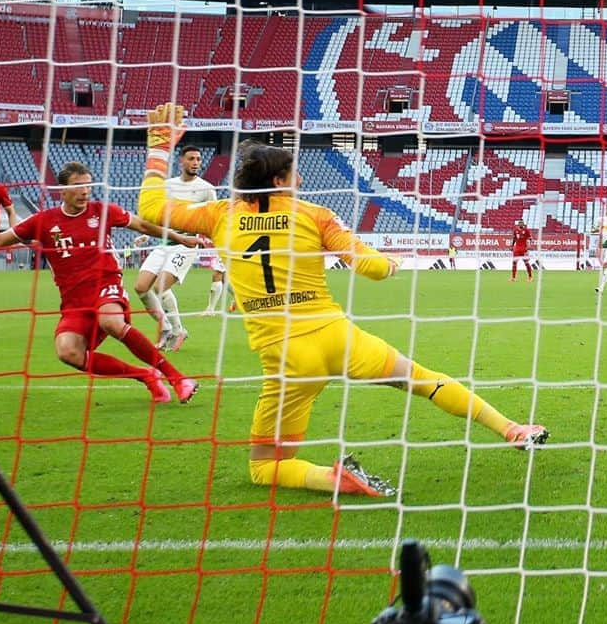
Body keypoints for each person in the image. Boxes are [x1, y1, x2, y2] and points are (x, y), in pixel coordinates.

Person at [138, 104, 548, 498]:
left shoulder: (219, 215)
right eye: (293, 173)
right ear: (280, 181)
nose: (299, 178)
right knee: (421, 379)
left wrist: (159, 146)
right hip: (335, 337)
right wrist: (390, 264)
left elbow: (150, 207)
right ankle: (510, 428)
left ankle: (333, 479)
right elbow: (368, 267)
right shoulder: (313, 214)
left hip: (285, 359)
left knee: (265, 467)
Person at [0, 161, 200, 405]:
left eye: (89, 185)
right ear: (62, 190)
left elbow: (142, 225)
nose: (85, 191)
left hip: (106, 283)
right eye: (78, 186)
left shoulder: (103, 211)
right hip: (74, 300)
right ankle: (145, 376)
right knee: (68, 352)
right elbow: (0, 240)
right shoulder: (44, 221)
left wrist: (177, 237)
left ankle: (177, 378)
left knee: (111, 321)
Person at [134, 144, 219, 351]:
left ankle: (178, 329)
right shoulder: (167, 185)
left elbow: (215, 218)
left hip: (187, 245)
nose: (195, 163)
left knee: (160, 288)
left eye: (198, 159)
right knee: (141, 288)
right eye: (191, 159)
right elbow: (159, 214)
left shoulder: (207, 189)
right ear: (181, 161)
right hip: (164, 242)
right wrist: (146, 234)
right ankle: (166, 327)